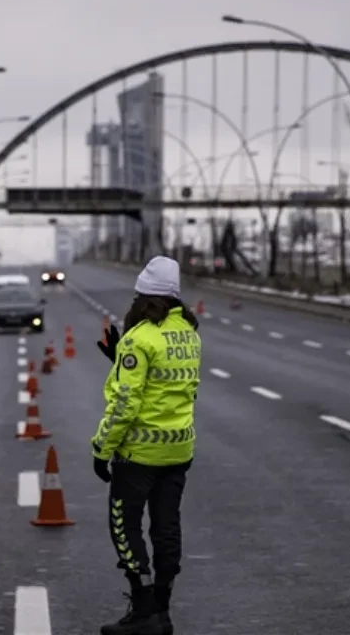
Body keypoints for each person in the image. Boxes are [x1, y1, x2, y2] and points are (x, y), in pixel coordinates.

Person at [91, 255, 201, 635]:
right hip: (178, 450)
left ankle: (142, 611)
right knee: (167, 529)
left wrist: (101, 449)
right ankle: (163, 610)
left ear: (142, 298)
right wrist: (118, 358)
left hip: (138, 454)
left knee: (125, 527)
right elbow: (168, 389)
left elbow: (125, 403)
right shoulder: (189, 334)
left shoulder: (140, 338)